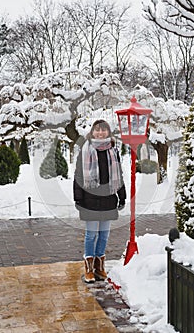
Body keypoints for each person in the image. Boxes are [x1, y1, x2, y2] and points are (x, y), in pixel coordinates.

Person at [73, 119, 126, 283]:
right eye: (97, 130)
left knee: (104, 234)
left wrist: (122, 196)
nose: (100, 133)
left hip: (108, 198)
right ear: (92, 132)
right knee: (91, 234)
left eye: (104, 130)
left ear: (108, 132)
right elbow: (79, 176)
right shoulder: (85, 150)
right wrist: (78, 198)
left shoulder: (113, 150)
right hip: (90, 198)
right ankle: (89, 268)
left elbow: (119, 175)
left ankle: (99, 266)